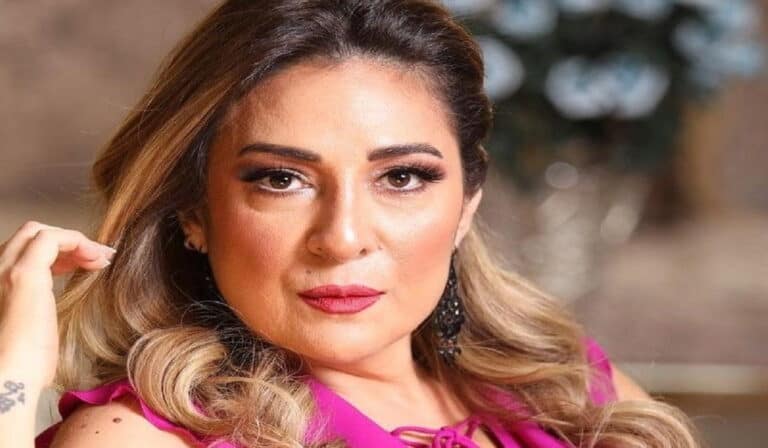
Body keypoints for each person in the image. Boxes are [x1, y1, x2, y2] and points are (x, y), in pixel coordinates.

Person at [0, 1, 699, 447]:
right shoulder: (139, 436)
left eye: (402, 177)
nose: (341, 238)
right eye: (281, 179)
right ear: (194, 211)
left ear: (467, 203)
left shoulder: (570, 390)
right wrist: (11, 379)